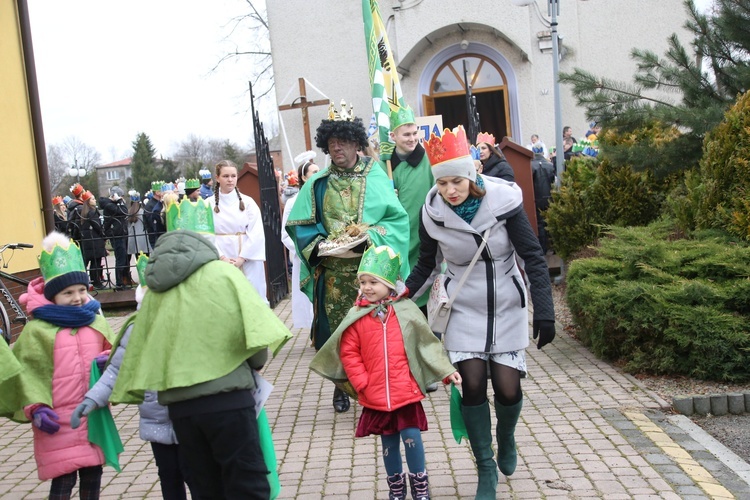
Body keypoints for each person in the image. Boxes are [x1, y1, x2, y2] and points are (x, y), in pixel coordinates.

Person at [405, 126, 555, 499]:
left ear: (471, 176)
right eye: (442, 184)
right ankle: (485, 466)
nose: (449, 191)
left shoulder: (504, 202)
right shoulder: (432, 213)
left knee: (507, 387)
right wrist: (401, 294)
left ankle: (506, 437)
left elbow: (533, 256)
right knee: (470, 384)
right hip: (463, 307)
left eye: (456, 181)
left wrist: (545, 310)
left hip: (506, 303)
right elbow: (426, 264)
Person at [108, 198, 292, 499]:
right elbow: (256, 343)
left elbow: (145, 345)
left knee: (205, 487)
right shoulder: (226, 275)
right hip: (229, 400)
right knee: (246, 483)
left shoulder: (155, 291)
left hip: (181, 408)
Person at [285, 102, 410, 413]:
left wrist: (370, 236)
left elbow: (397, 221)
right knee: (337, 333)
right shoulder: (317, 183)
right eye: (331, 143)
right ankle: (341, 387)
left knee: (372, 331)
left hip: (370, 273)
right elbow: (299, 226)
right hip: (334, 273)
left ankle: (375, 386)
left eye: (342, 141)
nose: (336, 148)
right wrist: (322, 246)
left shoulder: (376, 175)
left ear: (355, 142)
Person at [310, 245, 461, 500]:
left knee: (412, 436)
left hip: (406, 391)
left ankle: (420, 485)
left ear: (390, 284)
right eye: (363, 282)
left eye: (373, 282)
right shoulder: (356, 316)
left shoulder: (406, 311)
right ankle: (396, 488)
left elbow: (426, 345)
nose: (367, 287)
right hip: (375, 392)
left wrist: (446, 372)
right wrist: (361, 382)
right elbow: (349, 352)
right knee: (388, 442)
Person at [71, 255, 196, 500]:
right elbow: (117, 370)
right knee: (169, 477)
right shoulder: (136, 330)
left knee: (198, 476)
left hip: (193, 420)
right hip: (157, 422)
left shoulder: (191, 325)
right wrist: (92, 399)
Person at [2, 231, 116, 499]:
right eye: (68, 292)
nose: (77, 298)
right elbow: (27, 374)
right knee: (63, 480)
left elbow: (116, 355)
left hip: (92, 415)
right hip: (56, 420)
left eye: (81, 290)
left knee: (93, 476)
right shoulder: (37, 331)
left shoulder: (95, 323)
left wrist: (109, 361)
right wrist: (36, 409)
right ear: (53, 295)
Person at [387, 107, 434, 310]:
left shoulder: (429, 160)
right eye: (406, 134)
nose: (412, 138)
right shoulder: (385, 165)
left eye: (415, 133)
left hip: (424, 235)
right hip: (397, 239)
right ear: (393, 136)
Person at [208, 159, 268, 302]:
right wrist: (222, 257)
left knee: (253, 296)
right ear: (217, 178)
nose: (230, 180)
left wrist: (242, 258)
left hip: (248, 258)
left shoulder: (248, 203)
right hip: (221, 256)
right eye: (225, 176)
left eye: (233, 176)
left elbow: (257, 233)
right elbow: (206, 235)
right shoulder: (208, 204)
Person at [281, 155, 319, 330]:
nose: (319, 174)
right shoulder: (292, 202)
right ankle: (312, 327)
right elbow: (286, 233)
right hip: (303, 255)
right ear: (304, 177)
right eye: (314, 172)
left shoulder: (323, 197)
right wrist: (303, 250)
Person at [99, 186, 130, 288]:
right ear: (114, 196)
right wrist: (120, 200)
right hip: (117, 235)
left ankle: (123, 280)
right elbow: (124, 211)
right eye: (120, 196)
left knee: (123, 258)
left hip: (121, 233)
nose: (122, 198)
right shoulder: (109, 205)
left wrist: (119, 201)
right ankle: (119, 283)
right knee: (120, 259)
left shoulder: (114, 205)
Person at [80, 191, 107, 289]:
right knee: (96, 263)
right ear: (88, 201)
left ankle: (88, 281)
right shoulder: (92, 212)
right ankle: (96, 282)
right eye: (92, 199)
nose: (95, 200)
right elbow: (97, 226)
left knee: (88, 263)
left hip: (88, 241)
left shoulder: (84, 212)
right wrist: (104, 235)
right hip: (95, 241)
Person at [531, 153, 556, 253]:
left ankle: (543, 248)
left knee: (540, 223)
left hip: (537, 198)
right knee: (551, 221)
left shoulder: (531, 166)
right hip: (550, 197)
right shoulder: (550, 165)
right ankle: (554, 247)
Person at [126, 190, 151, 272]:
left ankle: (141, 275)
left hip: (134, 239)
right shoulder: (142, 211)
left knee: (138, 259)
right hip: (143, 238)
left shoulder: (129, 212)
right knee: (146, 258)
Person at [143, 181, 167, 248]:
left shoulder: (158, 203)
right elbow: (153, 224)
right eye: (163, 190)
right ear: (157, 192)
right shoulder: (150, 205)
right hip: (156, 238)